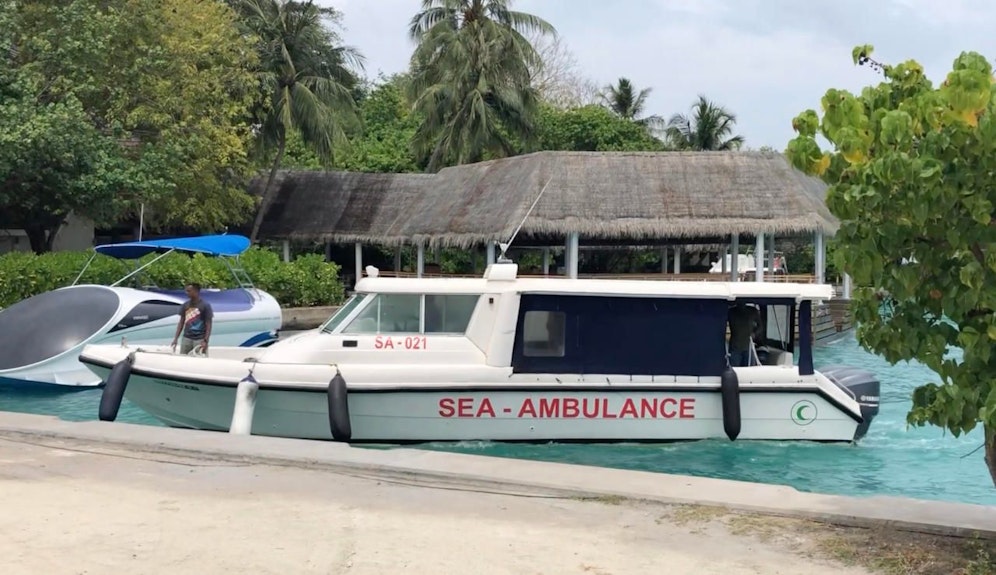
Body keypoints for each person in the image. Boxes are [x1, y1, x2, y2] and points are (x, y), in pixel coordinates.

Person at [171, 283, 213, 355]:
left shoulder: (205, 305)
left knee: (199, 359)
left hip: (199, 339)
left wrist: (205, 341)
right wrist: (176, 338)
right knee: (183, 357)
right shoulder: (185, 305)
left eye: (189, 291)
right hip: (187, 338)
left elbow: (208, 324)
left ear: (196, 291)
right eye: (186, 291)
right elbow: (181, 322)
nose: (187, 293)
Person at [727, 301, 760, 367]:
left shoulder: (753, 311)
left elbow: (760, 326)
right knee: (734, 369)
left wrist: (755, 333)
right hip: (735, 347)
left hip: (749, 346)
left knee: (751, 369)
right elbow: (721, 325)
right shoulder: (730, 312)